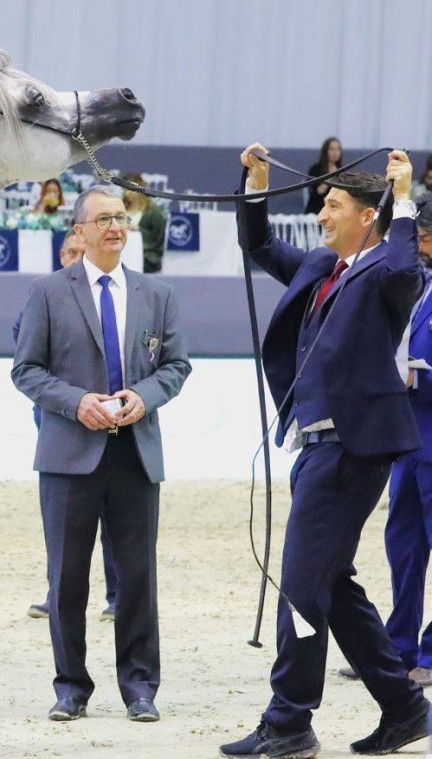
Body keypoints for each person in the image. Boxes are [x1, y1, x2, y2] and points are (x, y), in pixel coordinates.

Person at [219, 145, 430, 758]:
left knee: (301, 586)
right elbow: (258, 246)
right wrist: (255, 184)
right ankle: (404, 708)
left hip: (350, 446)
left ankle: (290, 721)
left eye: (333, 205)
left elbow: (400, 271)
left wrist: (403, 198)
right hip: (315, 445)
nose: (320, 215)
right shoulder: (320, 266)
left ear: (369, 217)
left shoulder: (389, 270)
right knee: (330, 585)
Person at [12, 186, 191, 724]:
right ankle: (71, 687)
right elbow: (26, 370)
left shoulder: (158, 296)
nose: (115, 226)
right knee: (67, 577)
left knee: (137, 576)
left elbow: (176, 366)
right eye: (103, 219)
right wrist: (76, 402)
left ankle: (140, 687)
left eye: (121, 217)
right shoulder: (48, 293)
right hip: (70, 455)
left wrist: (145, 396)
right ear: (80, 231)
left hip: (135, 454)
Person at [24, 230, 118, 622]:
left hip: (114, 419)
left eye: (85, 253)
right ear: (63, 254)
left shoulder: (114, 295)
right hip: (59, 419)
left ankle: (118, 594)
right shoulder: (45, 296)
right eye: (73, 253)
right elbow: (26, 356)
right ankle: (58, 593)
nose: (79, 259)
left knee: (116, 514)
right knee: (62, 520)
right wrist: (67, 400)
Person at [381, 197, 432, 688]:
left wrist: (424, 377)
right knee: (403, 548)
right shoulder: (415, 289)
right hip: (409, 443)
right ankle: (398, 648)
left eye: (421, 238)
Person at [122, 173, 166, 274]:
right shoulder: (119, 208)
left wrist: (138, 230)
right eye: (124, 189)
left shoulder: (153, 212)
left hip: (146, 257)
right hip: (121, 252)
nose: (126, 193)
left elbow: (157, 239)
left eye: (129, 189)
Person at [303, 136, 342, 215]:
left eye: (338, 149)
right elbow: (319, 192)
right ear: (325, 151)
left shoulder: (341, 171)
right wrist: (331, 175)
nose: (335, 152)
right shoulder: (315, 169)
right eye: (331, 149)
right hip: (317, 211)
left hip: (335, 213)